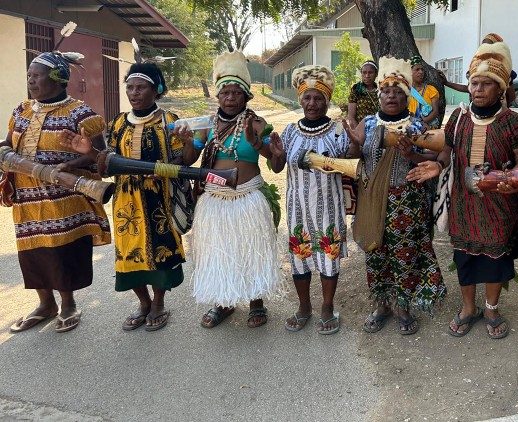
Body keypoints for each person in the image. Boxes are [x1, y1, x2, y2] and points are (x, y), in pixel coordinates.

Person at [407, 35, 518, 339]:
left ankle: (491, 308)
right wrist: (439, 164)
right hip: (464, 201)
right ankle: (468, 308)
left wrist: (507, 177)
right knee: (465, 256)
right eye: (474, 83)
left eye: (486, 84)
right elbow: (447, 149)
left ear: (500, 88)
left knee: (496, 258)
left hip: (498, 202)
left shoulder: (512, 121)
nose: (478, 89)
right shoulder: (458, 116)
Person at [63, 62, 190, 331]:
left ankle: (158, 303)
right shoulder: (118, 122)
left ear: (156, 90)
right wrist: (88, 153)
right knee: (129, 253)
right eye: (130, 87)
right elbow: (106, 162)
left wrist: (169, 166)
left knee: (159, 252)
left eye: (141, 87)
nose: (134, 92)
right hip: (126, 199)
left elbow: (183, 160)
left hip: (159, 198)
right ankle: (142, 303)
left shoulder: (170, 121)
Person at [4, 51, 111, 333]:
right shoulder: (21, 111)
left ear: (59, 79)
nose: (30, 80)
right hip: (27, 199)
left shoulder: (81, 114)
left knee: (63, 252)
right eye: (28, 75)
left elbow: (100, 157)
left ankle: (68, 304)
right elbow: (6, 145)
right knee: (33, 251)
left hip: (65, 199)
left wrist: (71, 162)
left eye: (36, 75)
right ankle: (45, 304)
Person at [182, 51, 283, 329]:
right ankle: (224, 302)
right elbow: (189, 159)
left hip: (248, 197)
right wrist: (189, 142)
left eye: (236, 92)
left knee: (251, 251)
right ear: (217, 96)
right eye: (224, 92)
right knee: (220, 251)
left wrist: (264, 146)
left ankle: (256, 302)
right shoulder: (206, 125)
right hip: (215, 199)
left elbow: (276, 165)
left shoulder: (258, 124)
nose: (229, 97)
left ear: (246, 95)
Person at [345, 56, 446, 335]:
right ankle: (381, 305)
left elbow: (435, 155)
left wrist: (411, 153)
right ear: (379, 96)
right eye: (386, 91)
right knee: (375, 252)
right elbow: (353, 157)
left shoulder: (416, 125)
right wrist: (354, 145)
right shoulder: (366, 124)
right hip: (372, 199)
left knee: (405, 253)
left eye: (398, 91)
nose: (391, 96)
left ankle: (403, 307)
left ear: (406, 97)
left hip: (408, 200)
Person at [268, 65, 359, 335]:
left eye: (318, 98)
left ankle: (327, 307)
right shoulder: (290, 132)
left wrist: (354, 140)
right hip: (298, 208)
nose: (312, 103)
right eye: (307, 97)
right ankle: (304, 307)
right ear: (300, 99)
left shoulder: (337, 132)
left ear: (327, 100)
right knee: (300, 257)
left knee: (329, 258)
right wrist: (274, 154)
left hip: (329, 207)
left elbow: (352, 164)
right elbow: (276, 167)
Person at [439, 33, 517, 107]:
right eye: (483, 46)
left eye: (487, 83)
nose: (485, 49)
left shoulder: (504, 72)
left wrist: (501, 108)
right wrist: (447, 83)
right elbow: (468, 88)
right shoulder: (476, 68)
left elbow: (511, 96)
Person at [408, 55, 441, 129]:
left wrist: (422, 122)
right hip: (409, 127)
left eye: (422, 70)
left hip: (428, 128)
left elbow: (435, 112)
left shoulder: (431, 90)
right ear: (410, 72)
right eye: (417, 69)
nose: (421, 72)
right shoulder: (406, 90)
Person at [346, 60, 380, 128]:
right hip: (360, 131)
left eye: (370, 73)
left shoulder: (381, 90)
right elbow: (351, 118)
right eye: (364, 73)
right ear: (361, 74)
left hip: (379, 131)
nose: (367, 76)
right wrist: (359, 135)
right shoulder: (356, 90)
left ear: (376, 74)